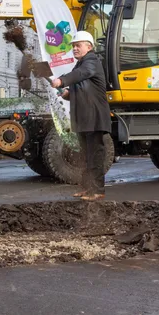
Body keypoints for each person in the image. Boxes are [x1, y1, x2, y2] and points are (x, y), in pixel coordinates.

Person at [50, 31, 111, 201]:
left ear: (89, 47)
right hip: (85, 118)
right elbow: (82, 86)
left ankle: (97, 190)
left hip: (94, 117)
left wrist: (61, 81)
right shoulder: (80, 64)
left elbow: (80, 75)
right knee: (86, 155)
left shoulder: (91, 61)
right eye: (73, 46)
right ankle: (87, 188)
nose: (74, 48)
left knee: (95, 155)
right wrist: (68, 93)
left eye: (78, 45)